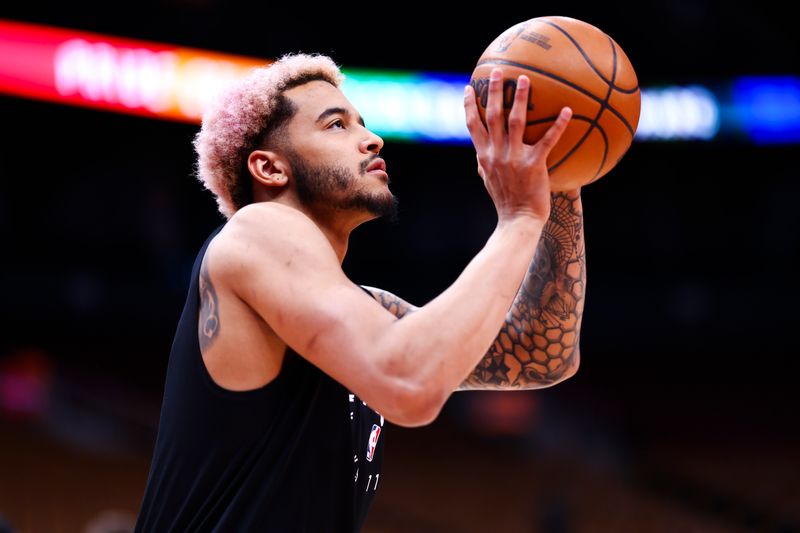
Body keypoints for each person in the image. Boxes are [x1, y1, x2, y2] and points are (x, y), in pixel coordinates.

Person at [134, 52, 586, 532]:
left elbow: (542, 354)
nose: (372, 139)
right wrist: (519, 221)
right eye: (336, 126)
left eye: (363, 124)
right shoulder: (254, 231)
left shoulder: (362, 311)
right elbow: (407, 382)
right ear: (269, 168)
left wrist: (559, 180)